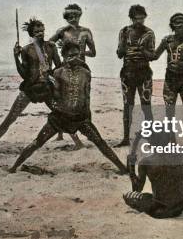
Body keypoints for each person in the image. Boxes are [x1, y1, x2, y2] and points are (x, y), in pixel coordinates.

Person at [8, 42, 127, 174]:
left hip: (81, 118)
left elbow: (87, 97)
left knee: (100, 142)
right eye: (70, 55)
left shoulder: (86, 73)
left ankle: (122, 168)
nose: (74, 57)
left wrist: (88, 116)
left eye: (76, 54)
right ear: (64, 56)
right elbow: (52, 94)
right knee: (38, 142)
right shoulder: (57, 73)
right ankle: (14, 167)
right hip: (60, 117)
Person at [0, 17, 82, 153]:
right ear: (31, 33)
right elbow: (24, 74)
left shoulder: (51, 47)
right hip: (30, 89)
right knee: (10, 118)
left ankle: (78, 143)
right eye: (37, 31)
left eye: (42, 30)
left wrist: (55, 78)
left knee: (62, 114)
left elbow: (58, 67)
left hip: (47, 88)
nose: (40, 33)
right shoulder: (26, 50)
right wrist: (15, 57)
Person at [152, 12, 183, 144]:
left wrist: (180, 63)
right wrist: (140, 51)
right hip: (170, 80)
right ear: (173, 27)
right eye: (178, 27)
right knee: (169, 114)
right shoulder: (167, 40)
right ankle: (172, 143)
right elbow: (155, 56)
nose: (181, 29)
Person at [123, 130, 183, 219]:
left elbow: (137, 189)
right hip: (180, 205)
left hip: (161, 210)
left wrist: (131, 166)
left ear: (150, 142)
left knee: (129, 196)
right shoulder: (178, 155)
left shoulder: (146, 162)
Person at [115, 4, 155, 147]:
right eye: (137, 19)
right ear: (131, 18)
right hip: (127, 73)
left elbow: (152, 55)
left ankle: (151, 138)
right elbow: (119, 54)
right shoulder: (124, 31)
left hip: (144, 73)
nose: (140, 21)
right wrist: (123, 48)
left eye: (142, 19)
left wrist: (143, 50)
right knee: (127, 106)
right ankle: (126, 138)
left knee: (146, 107)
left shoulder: (149, 33)